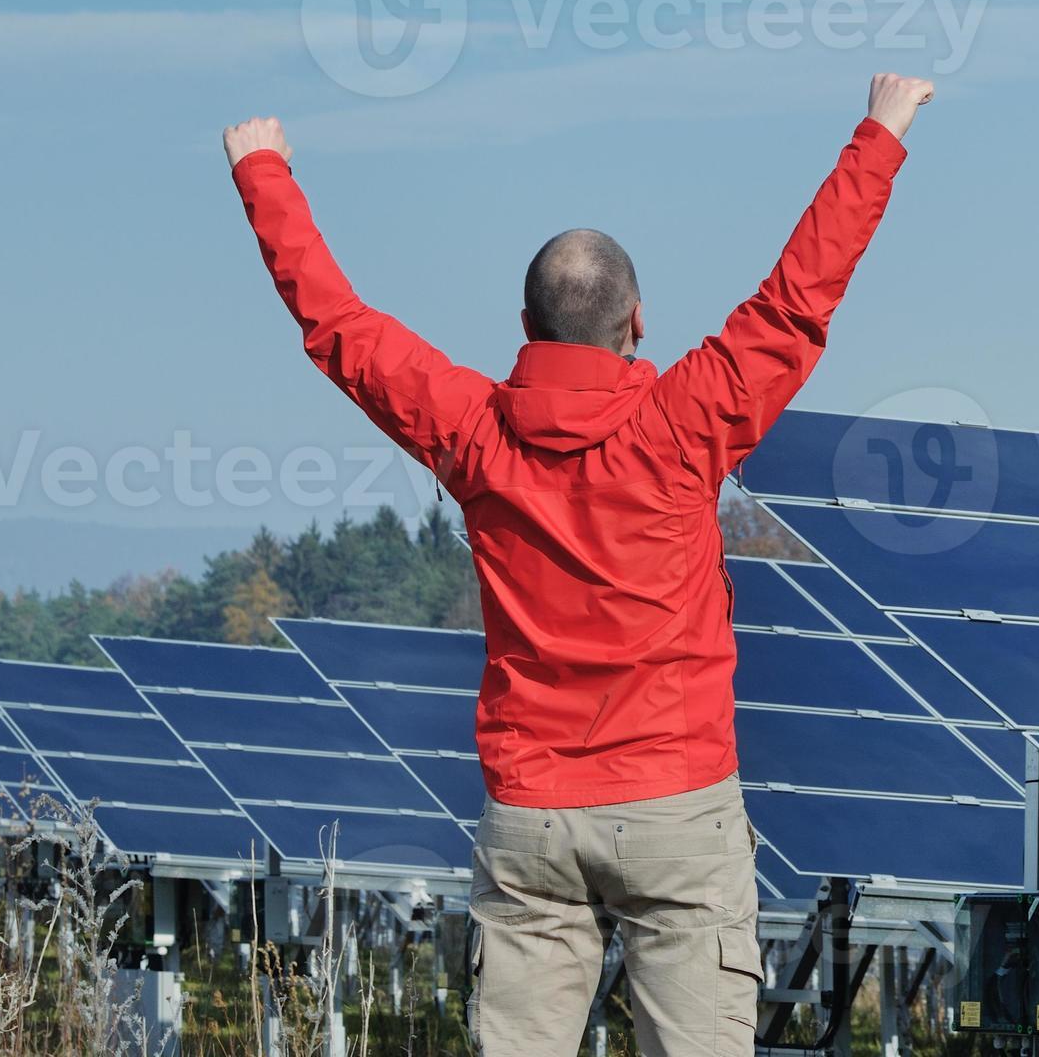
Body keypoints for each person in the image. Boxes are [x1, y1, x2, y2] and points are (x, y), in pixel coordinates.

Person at [219, 74, 933, 1057]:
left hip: (534, 811)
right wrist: (879, 133)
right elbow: (795, 300)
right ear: (638, 320)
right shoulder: (684, 421)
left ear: (526, 325)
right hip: (678, 800)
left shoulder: (473, 431)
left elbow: (339, 327)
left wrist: (263, 172)